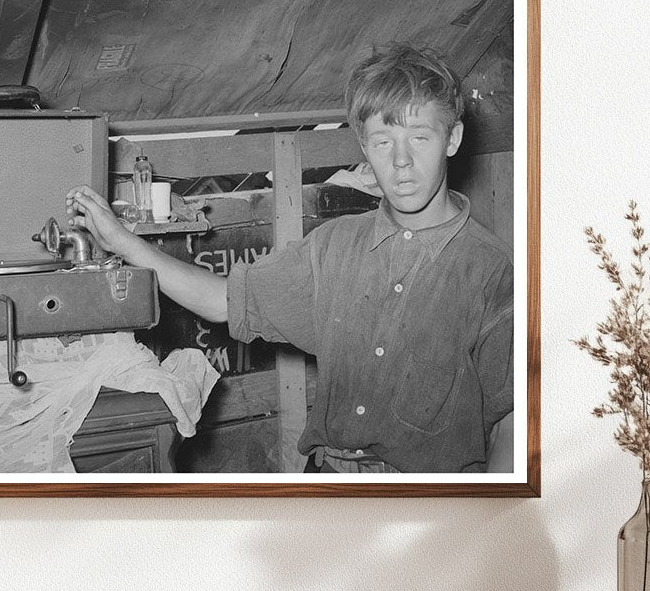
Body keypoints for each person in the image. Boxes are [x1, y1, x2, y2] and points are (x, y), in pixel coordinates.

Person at [67, 44, 514, 474]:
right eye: (382, 141)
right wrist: (123, 241)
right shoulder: (334, 245)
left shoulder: (494, 273)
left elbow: (513, 425)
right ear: (363, 146)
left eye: (419, 137)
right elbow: (225, 300)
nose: (401, 161)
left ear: (452, 138)